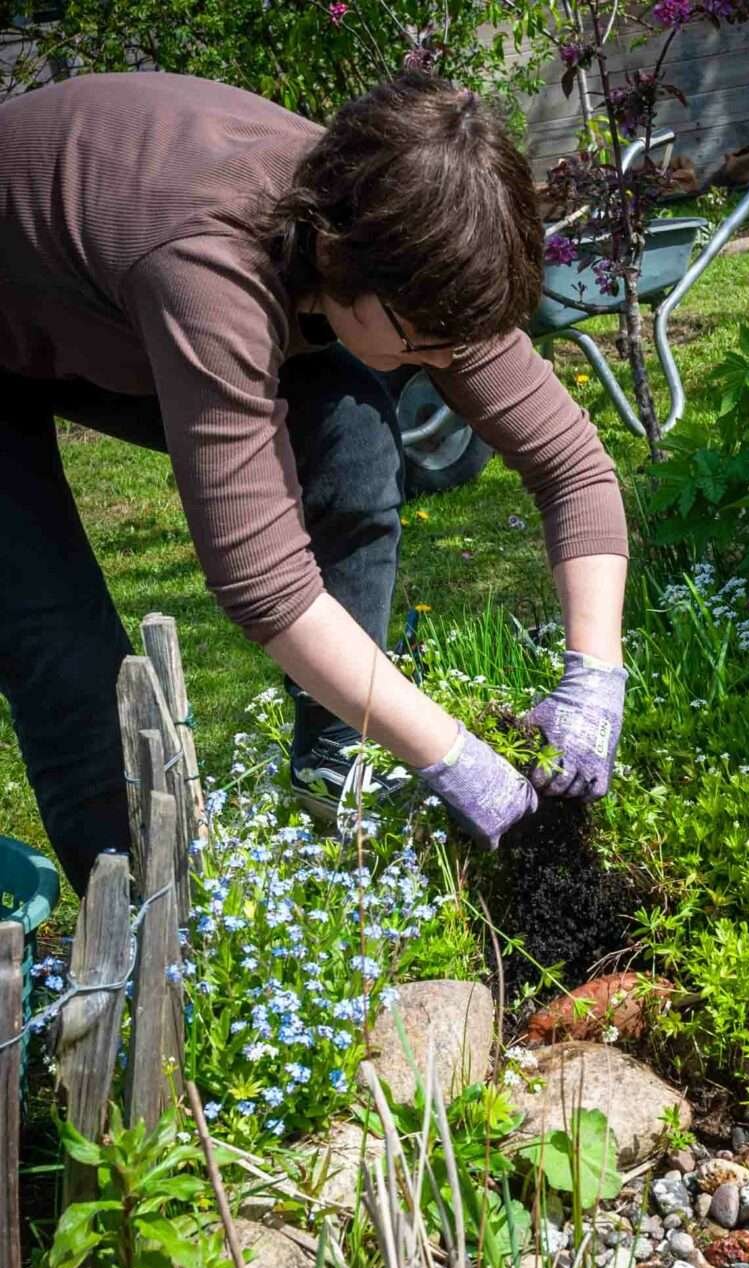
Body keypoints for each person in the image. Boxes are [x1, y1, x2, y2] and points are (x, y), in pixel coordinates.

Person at [0, 69, 629, 895]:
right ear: (339, 255)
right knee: (69, 655)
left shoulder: (417, 236)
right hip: (67, 281)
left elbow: (573, 468)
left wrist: (595, 677)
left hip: (83, 296)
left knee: (355, 432)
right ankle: (163, 938)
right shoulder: (210, 268)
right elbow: (263, 585)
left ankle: (336, 765)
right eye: (425, 343)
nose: (443, 365)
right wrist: (452, 753)